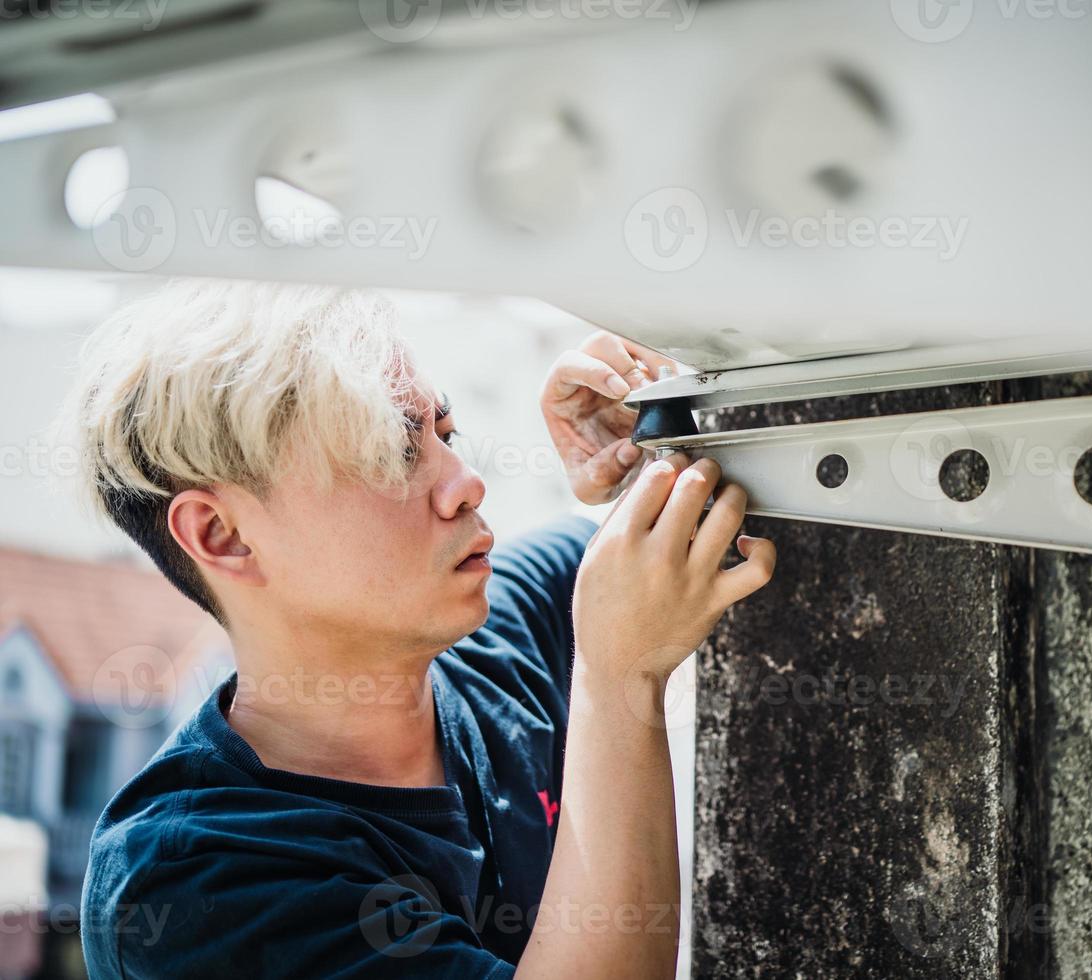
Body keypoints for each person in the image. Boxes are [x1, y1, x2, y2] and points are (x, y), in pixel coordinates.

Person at [58, 279, 776, 978]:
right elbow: (618, 627)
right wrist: (622, 676)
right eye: (393, 452)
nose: (466, 481)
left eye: (445, 431)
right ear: (222, 536)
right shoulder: (191, 884)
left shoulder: (503, 635)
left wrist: (645, 447)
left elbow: (662, 556)